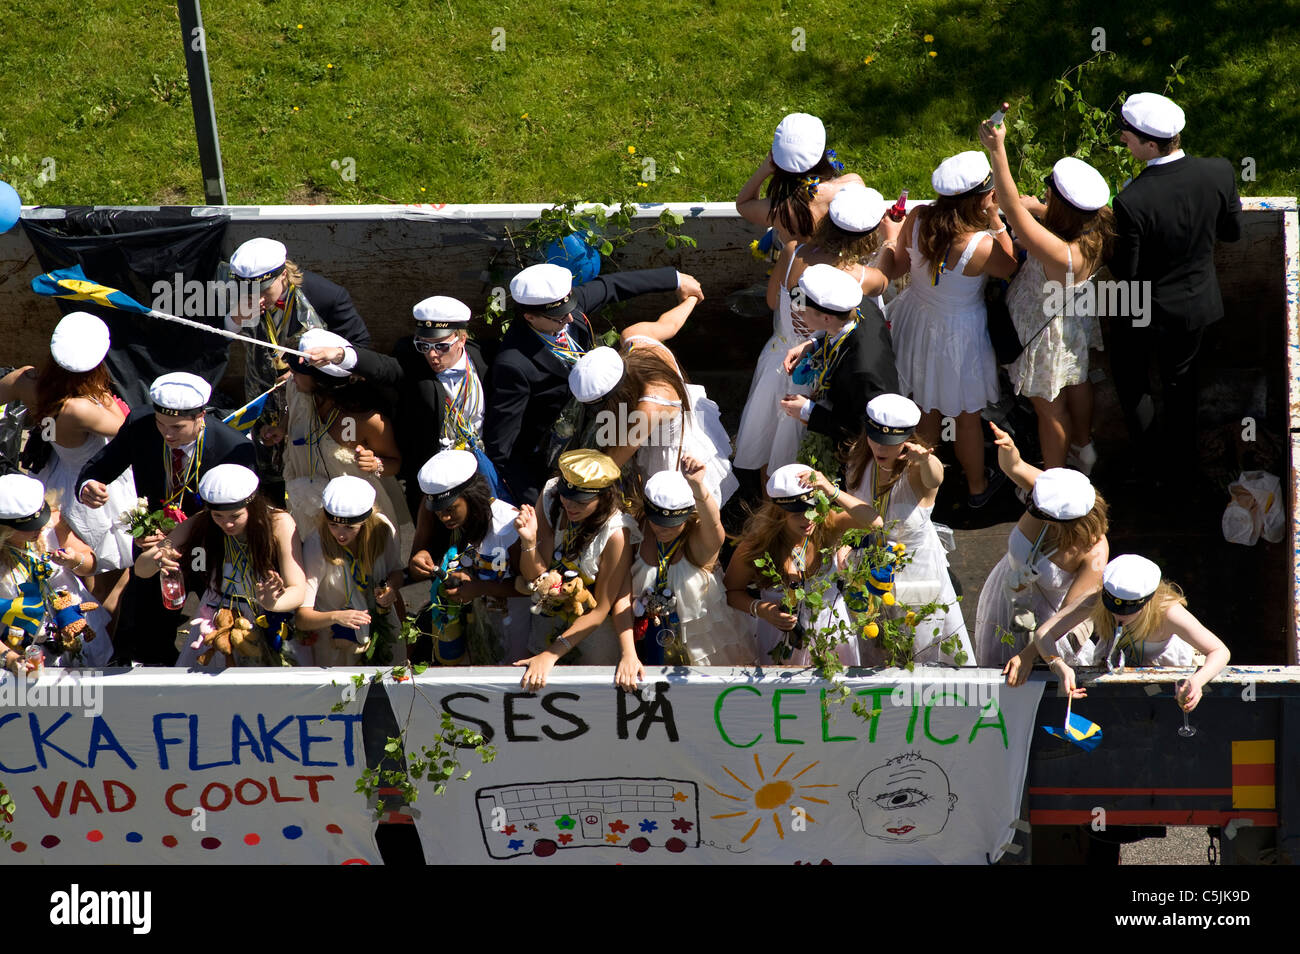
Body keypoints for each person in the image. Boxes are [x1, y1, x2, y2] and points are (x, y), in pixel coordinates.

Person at [484, 262, 703, 507]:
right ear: (530, 317)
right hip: (556, 446)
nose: (570, 318)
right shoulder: (513, 364)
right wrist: (535, 501)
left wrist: (674, 279)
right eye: (558, 318)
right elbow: (502, 445)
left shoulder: (567, 311)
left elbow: (611, 286)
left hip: (609, 423)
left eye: (570, 308)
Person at [1107, 92, 1243, 488]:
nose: (1123, 140)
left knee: (1132, 380)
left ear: (1150, 144)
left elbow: (1127, 275)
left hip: (1145, 310)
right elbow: (1233, 233)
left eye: (1128, 136)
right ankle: (1183, 466)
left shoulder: (1132, 200)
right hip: (1197, 305)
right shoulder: (1219, 172)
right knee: (1180, 384)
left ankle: (1150, 465)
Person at [77, 372, 256, 664]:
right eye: (161, 424)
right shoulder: (141, 425)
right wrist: (89, 486)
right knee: (148, 624)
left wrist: (184, 535)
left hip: (212, 540)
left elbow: (245, 511)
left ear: (201, 416)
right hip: (154, 542)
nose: (167, 434)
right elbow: (102, 465)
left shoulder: (233, 447)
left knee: (224, 623)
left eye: (177, 427)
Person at [735, 186, 902, 476]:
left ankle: (769, 499)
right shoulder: (861, 278)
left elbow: (773, 300)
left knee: (772, 442)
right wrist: (891, 240)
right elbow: (887, 276)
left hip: (779, 356)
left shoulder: (793, 251)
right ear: (867, 238)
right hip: (822, 370)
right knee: (800, 452)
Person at [979, 121, 1117, 472]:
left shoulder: (1061, 254)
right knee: (1077, 381)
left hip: (1044, 333)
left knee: (1050, 409)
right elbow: (1043, 216)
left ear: (1061, 205)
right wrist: (1040, 210)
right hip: (1071, 324)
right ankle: (1084, 445)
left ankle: (1053, 480)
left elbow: (1010, 208)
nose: (1044, 198)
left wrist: (997, 148)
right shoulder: (1096, 228)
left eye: (1048, 196)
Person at [887, 151, 1018, 506]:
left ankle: (920, 490)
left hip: (916, 320)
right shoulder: (980, 243)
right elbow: (1009, 268)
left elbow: (898, 265)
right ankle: (977, 485)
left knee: (925, 407)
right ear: (981, 197)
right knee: (965, 416)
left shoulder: (916, 218)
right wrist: (995, 219)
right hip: (959, 334)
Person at [0, 312, 137, 603]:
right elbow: (127, 430)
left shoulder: (26, 380)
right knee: (111, 577)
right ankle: (99, 639)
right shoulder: (81, 408)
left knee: (74, 564)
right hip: (92, 487)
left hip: (55, 474)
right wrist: (104, 393)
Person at [314, 296, 493, 517]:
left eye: (441, 346)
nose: (432, 355)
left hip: (478, 469)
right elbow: (384, 368)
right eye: (423, 346)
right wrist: (341, 355)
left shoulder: (485, 358)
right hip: (433, 477)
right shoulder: (414, 366)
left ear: (462, 339)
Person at [225, 237, 371, 484]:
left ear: (283, 275)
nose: (256, 300)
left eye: (263, 291)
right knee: (269, 478)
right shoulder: (232, 297)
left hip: (315, 404)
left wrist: (305, 371)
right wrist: (233, 320)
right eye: (247, 292)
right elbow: (206, 342)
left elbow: (361, 349)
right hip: (262, 403)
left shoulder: (327, 296)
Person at [565, 300, 737, 506]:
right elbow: (670, 324)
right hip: (679, 423)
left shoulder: (650, 407)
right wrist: (691, 298)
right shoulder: (635, 338)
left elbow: (610, 463)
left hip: (672, 456)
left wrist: (563, 483)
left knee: (675, 510)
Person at [137, 464, 306, 670]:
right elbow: (141, 569)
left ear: (253, 505)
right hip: (216, 616)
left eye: (235, 516)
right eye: (219, 516)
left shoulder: (279, 522)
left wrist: (273, 602)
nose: (227, 524)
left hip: (266, 616)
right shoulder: (202, 522)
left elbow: (298, 588)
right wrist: (157, 559)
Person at [1013, 554, 1230, 713]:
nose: (1117, 615)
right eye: (1112, 607)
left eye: (1127, 610)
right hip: (1114, 677)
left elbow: (1219, 650)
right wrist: (1058, 665)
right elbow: (1045, 633)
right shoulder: (1096, 599)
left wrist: (1198, 681)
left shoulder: (1168, 612)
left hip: (1168, 682)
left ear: (1148, 601)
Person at [844, 394, 970, 666]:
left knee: (919, 647)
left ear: (908, 439)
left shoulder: (917, 468)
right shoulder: (859, 457)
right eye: (875, 438)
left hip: (914, 572)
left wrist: (924, 460)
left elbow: (936, 476)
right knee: (874, 644)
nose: (880, 447)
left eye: (889, 442)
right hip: (869, 564)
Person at [974, 422, 1108, 670]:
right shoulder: (1051, 491)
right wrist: (1008, 450)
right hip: (1006, 596)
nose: (1030, 507)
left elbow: (1067, 616)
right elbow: (1014, 467)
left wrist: (1028, 654)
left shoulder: (1095, 551)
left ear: (1059, 522)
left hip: (1050, 622)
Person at [724, 463, 882, 666]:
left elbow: (876, 522)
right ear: (779, 512)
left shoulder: (827, 525)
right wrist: (761, 608)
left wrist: (830, 490)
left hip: (831, 634)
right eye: (797, 513)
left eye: (812, 509)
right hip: (778, 640)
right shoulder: (757, 545)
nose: (808, 519)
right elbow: (730, 592)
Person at [512, 449, 640, 691]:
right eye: (566, 495)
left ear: (603, 497)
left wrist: (551, 655)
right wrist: (528, 543)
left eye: (581, 501)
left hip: (591, 629)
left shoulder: (616, 533)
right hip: (548, 613)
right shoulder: (551, 495)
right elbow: (535, 576)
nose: (569, 505)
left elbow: (601, 609)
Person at [276, 327, 408, 539]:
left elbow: (395, 462)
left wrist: (376, 464)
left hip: (355, 523)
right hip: (308, 511)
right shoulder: (297, 390)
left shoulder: (367, 420)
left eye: (299, 370)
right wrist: (281, 428)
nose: (292, 374)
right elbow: (293, 411)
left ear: (322, 382)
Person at [630, 460, 758, 667]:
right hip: (642, 638)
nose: (662, 529)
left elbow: (714, 523)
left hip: (704, 648)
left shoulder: (701, 540)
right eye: (657, 521)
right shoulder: (636, 529)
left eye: (671, 524)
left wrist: (697, 486)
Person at [407, 450, 529, 665]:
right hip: (466, 625)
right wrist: (420, 557)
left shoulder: (508, 527)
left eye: (451, 509)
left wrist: (480, 588)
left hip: (511, 624)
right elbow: (416, 565)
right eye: (438, 511)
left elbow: (529, 587)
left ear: (472, 496)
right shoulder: (435, 514)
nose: (444, 517)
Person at [778, 264, 899, 476]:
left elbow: (861, 429)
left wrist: (809, 411)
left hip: (863, 459)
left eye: (802, 309)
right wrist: (813, 344)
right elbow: (839, 333)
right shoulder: (857, 306)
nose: (797, 311)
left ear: (826, 318)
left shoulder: (863, 371)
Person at [0, 473, 112, 670]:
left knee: (94, 694)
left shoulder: (53, 524)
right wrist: (9, 659)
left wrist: (76, 560)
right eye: (29, 526)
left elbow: (91, 563)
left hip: (77, 628)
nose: (39, 528)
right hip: (26, 649)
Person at [294, 475, 405, 667]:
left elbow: (396, 571)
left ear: (366, 521)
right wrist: (337, 616)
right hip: (335, 644)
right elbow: (302, 618)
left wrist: (390, 589)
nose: (340, 534)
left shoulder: (383, 529)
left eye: (349, 527)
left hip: (383, 632)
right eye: (333, 525)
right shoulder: (316, 544)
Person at [735, 112, 865, 245]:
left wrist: (766, 168)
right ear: (822, 154)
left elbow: (743, 204)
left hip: (793, 265)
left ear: (775, 159)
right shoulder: (852, 185)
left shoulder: (779, 209)